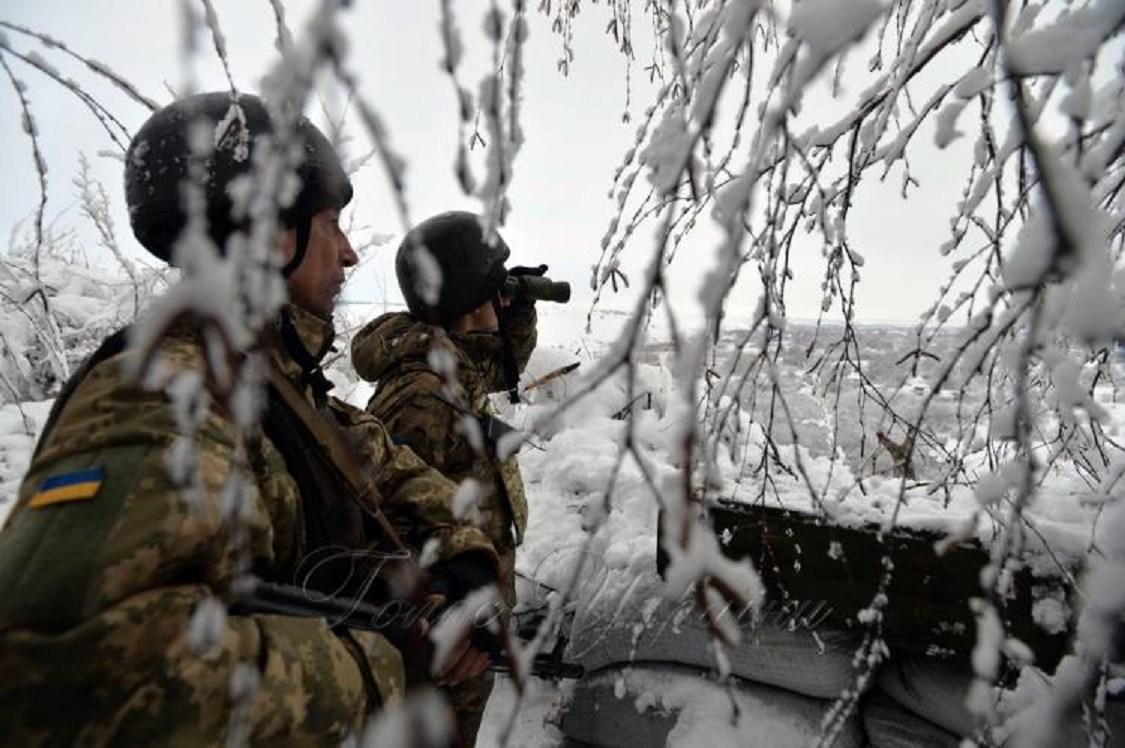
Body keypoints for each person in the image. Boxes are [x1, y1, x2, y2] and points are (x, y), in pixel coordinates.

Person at [0, 93, 497, 745]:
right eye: (331, 223)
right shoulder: (162, 392)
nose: (349, 253)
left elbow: (399, 475)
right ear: (274, 230)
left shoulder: (276, 388)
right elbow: (76, 674)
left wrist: (465, 568)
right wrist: (383, 660)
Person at [351, 211, 540, 746]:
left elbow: (503, 364)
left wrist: (518, 311)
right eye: (497, 291)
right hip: (440, 647)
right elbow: (383, 524)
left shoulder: (454, 367)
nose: (505, 300)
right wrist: (448, 614)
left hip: (468, 628)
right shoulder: (423, 398)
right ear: (469, 298)